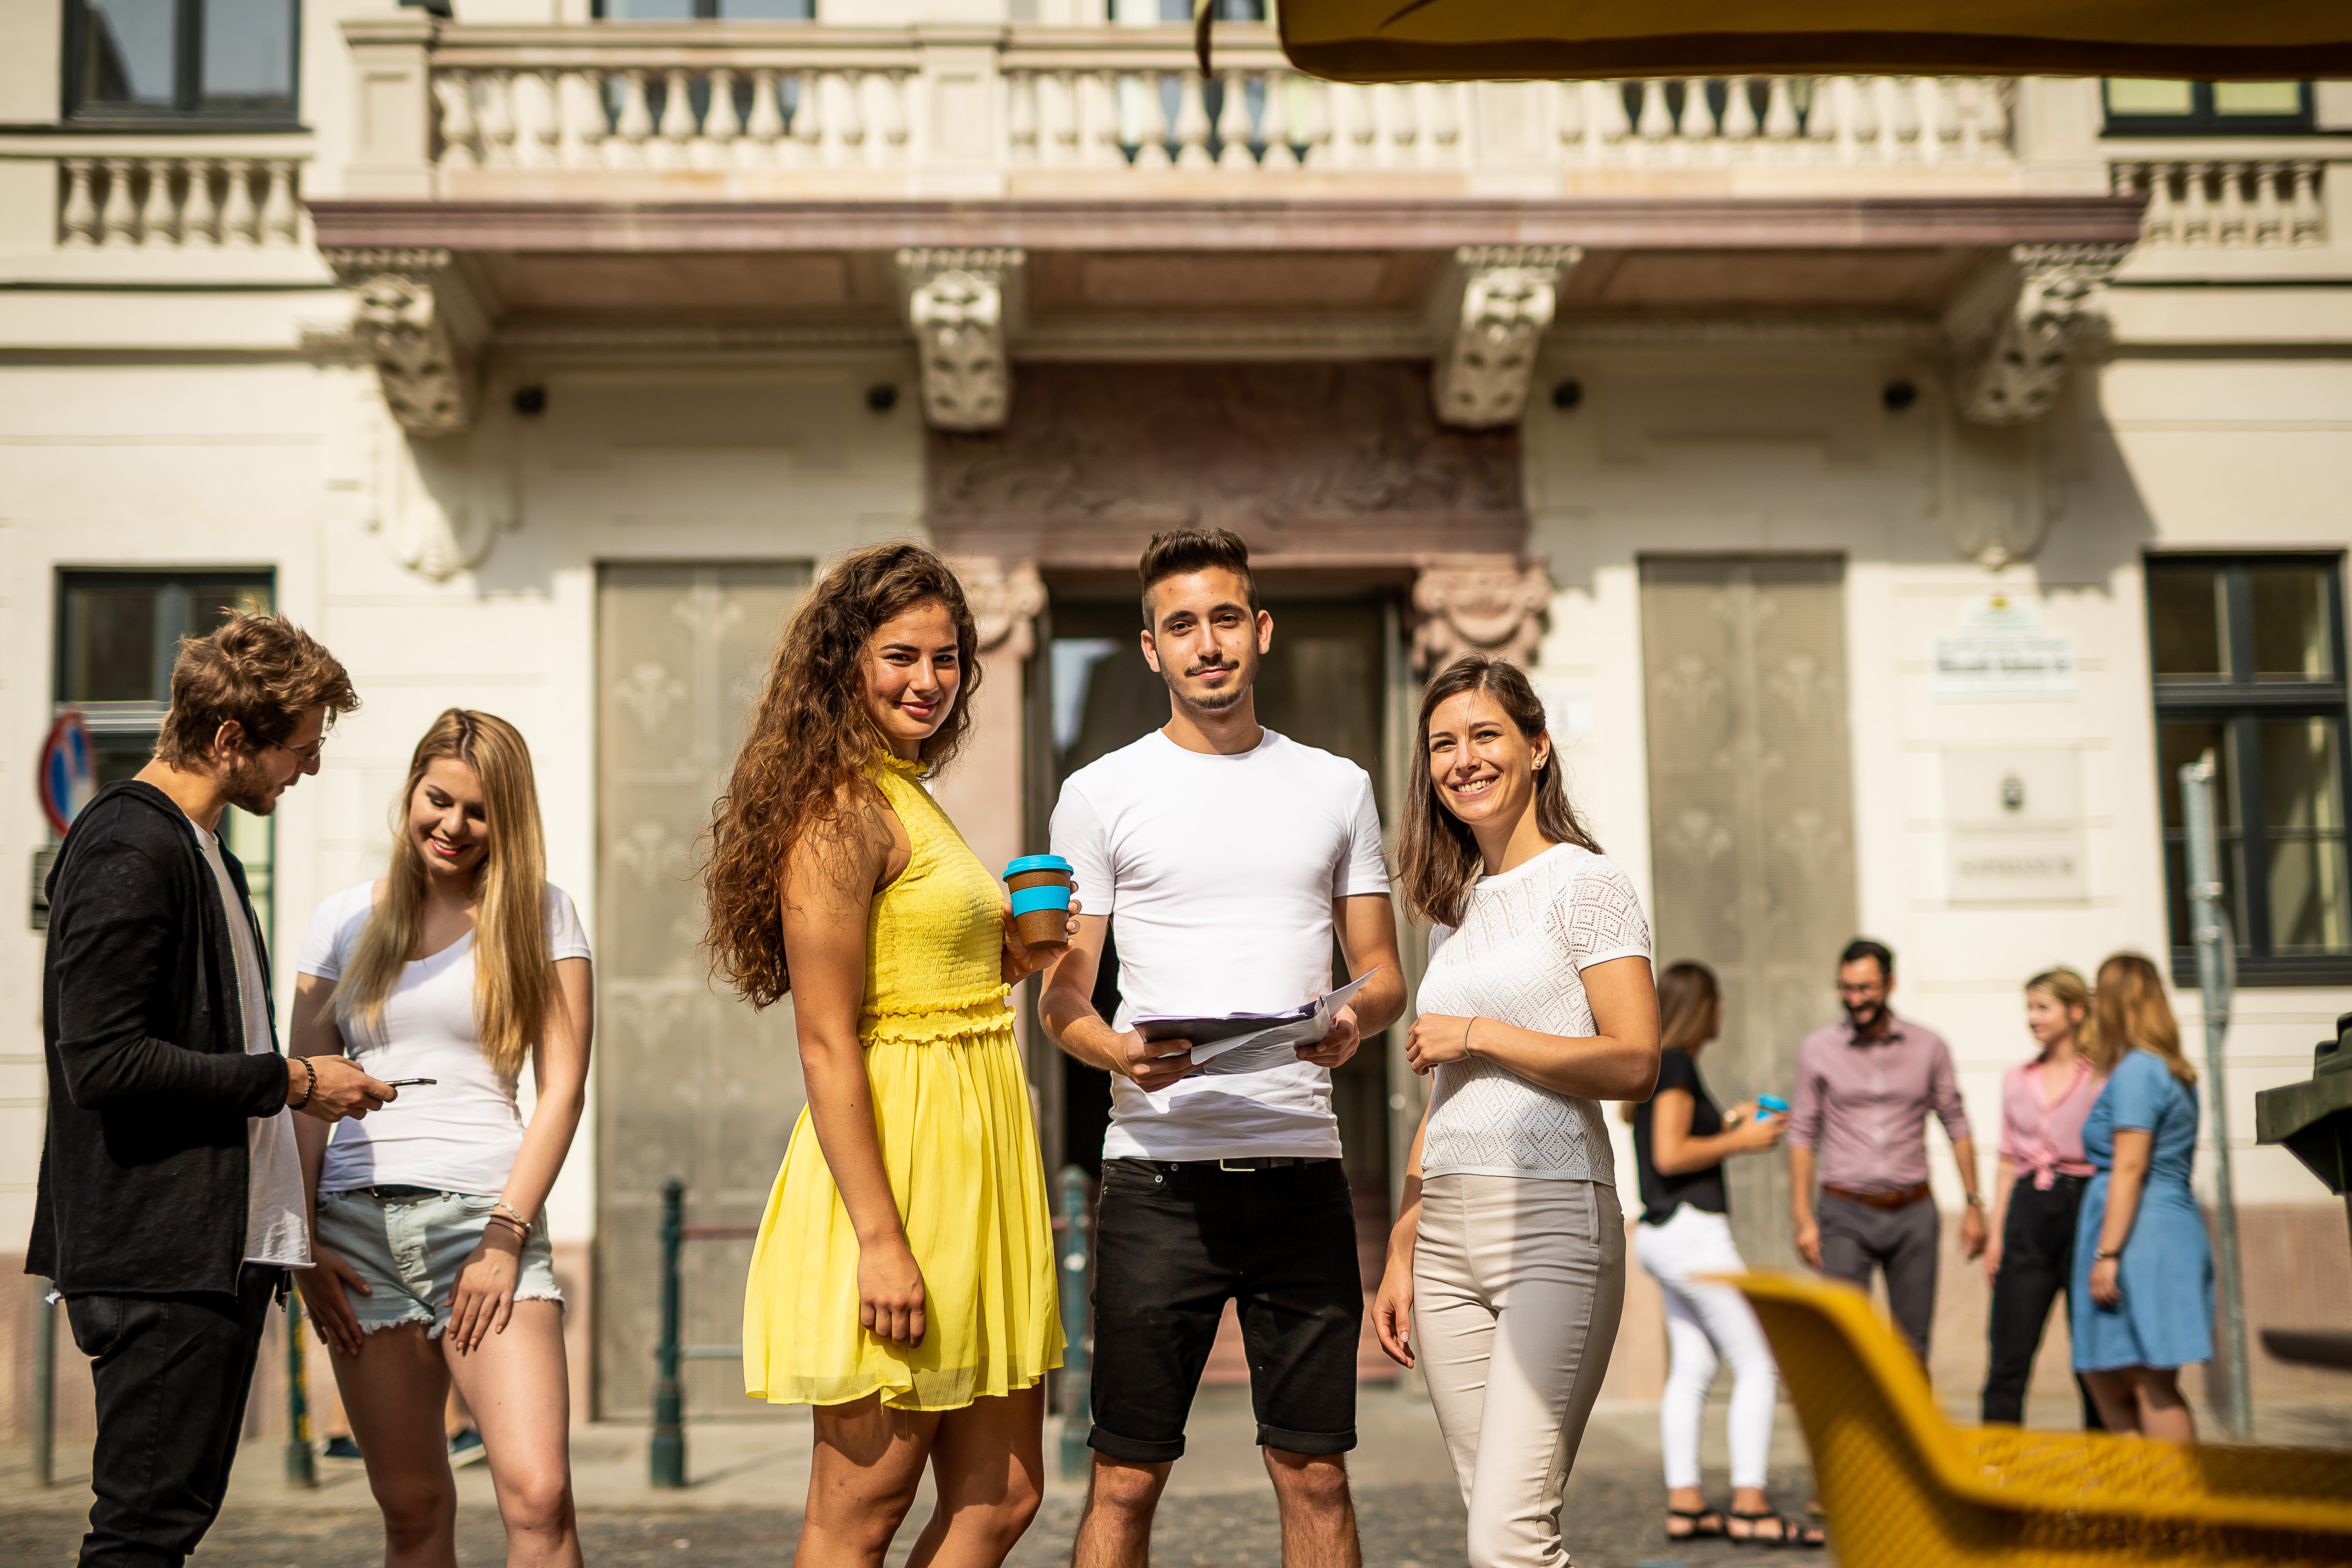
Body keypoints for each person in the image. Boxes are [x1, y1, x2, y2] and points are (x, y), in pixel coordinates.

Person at [1041, 527, 1406, 1568]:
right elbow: (1059, 995)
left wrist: (1347, 1016)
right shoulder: (1099, 793)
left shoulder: (1336, 785)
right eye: (1181, 625)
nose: (1207, 644)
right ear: (1150, 649)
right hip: (1156, 1177)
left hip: (1301, 1171)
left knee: (1317, 1474)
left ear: (1261, 630)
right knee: (1123, 1475)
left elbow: (1381, 973)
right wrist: (1114, 1051)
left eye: (1225, 618)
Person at [712, 543, 1069, 1568]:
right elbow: (826, 1042)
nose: (929, 679)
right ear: (845, 664)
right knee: (860, 1509)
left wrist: (1001, 954)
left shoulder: (908, 792)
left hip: (976, 1164)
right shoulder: (837, 811)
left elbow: (915, 973)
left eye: (948, 657)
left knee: (1002, 1494)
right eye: (901, 655)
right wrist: (880, 1238)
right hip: (894, 1174)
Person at [29, 611, 379, 1568]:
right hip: (160, 1264)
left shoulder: (202, 849)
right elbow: (99, 1061)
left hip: (200, 1260)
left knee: (160, 1528)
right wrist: (296, 1080)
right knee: (142, 1536)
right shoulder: (130, 848)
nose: (304, 771)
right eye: (298, 750)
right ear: (232, 739)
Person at [1369, 653, 1658, 1568]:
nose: (1462, 758)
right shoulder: (1451, 910)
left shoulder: (1586, 882)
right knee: (1494, 1521)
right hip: (1446, 1236)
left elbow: (1634, 1058)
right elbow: (1443, 1091)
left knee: (1507, 1537)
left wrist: (1480, 1033)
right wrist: (1402, 1247)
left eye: (1483, 734)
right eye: (1441, 743)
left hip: (1553, 1224)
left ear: (1535, 746)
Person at [290, 710, 595, 1568]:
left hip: (483, 1224)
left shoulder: (542, 913)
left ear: (509, 820)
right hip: (354, 1235)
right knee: (413, 1510)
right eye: (439, 799)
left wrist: (507, 1234)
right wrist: (301, 1241)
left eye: (480, 811)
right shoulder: (342, 920)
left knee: (540, 1499)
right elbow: (303, 1089)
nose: (453, 826)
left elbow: (563, 1088)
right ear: (413, 788)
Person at [1628, 960, 1821, 1548]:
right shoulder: (1679, 1064)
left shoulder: (1661, 1066)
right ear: (1701, 1007)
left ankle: (1686, 1504)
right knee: (1759, 1361)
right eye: (1717, 1003)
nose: (1722, 1014)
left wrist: (1729, 1120)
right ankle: (1751, 1504)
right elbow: (1671, 1153)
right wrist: (1743, 1139)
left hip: (1662, 1235)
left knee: (1694, 1368)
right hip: (1693, 1233)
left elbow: (1674, 1140)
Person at [1786, 938, 1986, 1363]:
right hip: (1845, 1212)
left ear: (1890, 984)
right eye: (1847, 988)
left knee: (1911, 1349)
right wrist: (1803, 1218)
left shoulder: (1930, 1046)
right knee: (1844, 1342)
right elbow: (1803, 1133)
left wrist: (1973, 1203)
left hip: (1913, 1213)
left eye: (1866, 988)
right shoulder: (1818, 1049)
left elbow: (1957, 1123)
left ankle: (1904, 1432)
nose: (1855, 999)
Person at [2072, 952, 2213, 1442]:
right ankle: (2149, 1506)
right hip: (2157, 1225)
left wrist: (2107, 1254)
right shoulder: (2168, 1069)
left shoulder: (2137, 1071)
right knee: (2108, 1372)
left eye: (2096, 994)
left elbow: (2130, 1167)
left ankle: (2177, 1507)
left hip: (2139, 1234)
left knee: (2145, 1377)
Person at [1981, 967, 2108, 1429]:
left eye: (2042, 1007)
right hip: (2027, 1215)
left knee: (2092, 1361)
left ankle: (2104, 1481)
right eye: (2029, 1008)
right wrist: (1996, 1236)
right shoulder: (2017, 1078)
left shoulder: (2102, 1076)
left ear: (2075, 1012)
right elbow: (2005, 1160)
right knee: (2007, 1357)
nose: (2032, 1018)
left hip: (2084, 1207)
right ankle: (1997, 1476)